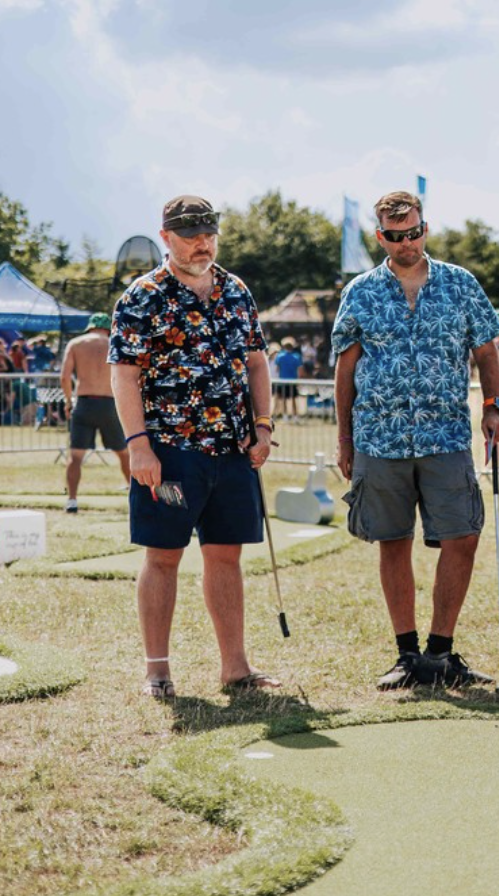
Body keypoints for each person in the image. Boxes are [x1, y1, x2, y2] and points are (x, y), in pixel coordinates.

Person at [333, 190, 499, 691]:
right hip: (379, 437)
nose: (406, 242)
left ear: (424, 228)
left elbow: (486, 349)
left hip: (446, 433)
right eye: (395, 235)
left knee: (462, 537)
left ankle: (441, 653)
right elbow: (346, 367)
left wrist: (492, 406)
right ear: (379, 237)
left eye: (413, 232)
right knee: (393, 541)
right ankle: (407, 654)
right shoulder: (361, 290)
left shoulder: (460, 283)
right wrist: (344, 436)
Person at [109, 194, 280, 698]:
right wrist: (138, 445)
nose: (201, 243)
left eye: (208, 233)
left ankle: (235, 668)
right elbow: (123, 376)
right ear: (166, 238)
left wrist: (264, 425)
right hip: (169, 451)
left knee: (225, 555)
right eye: (189, 235)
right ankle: (157, 671)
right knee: (163, 556)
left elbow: (256, 362)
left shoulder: (236, 289)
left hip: (231, 450)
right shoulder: (143, 296)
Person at [61, 312, 131, 512]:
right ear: (108, 328)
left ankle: (72, 500)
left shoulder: (76, 344)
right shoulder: (115, 344)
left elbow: (65, 377)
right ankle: (135, 496)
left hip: (84, 402)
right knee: (124, 454)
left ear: (90, 327)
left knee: (75, 456)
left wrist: (68, 401)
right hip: (109, 404)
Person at [272, 336, 303, 421]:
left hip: (283, 380)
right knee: (294, 399)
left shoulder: (280, 356)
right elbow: (300, 370)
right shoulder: (296, 356)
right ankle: (295, 416)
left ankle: (285, 415)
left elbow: (277, 369)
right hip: (293, 380)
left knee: (284, 399)